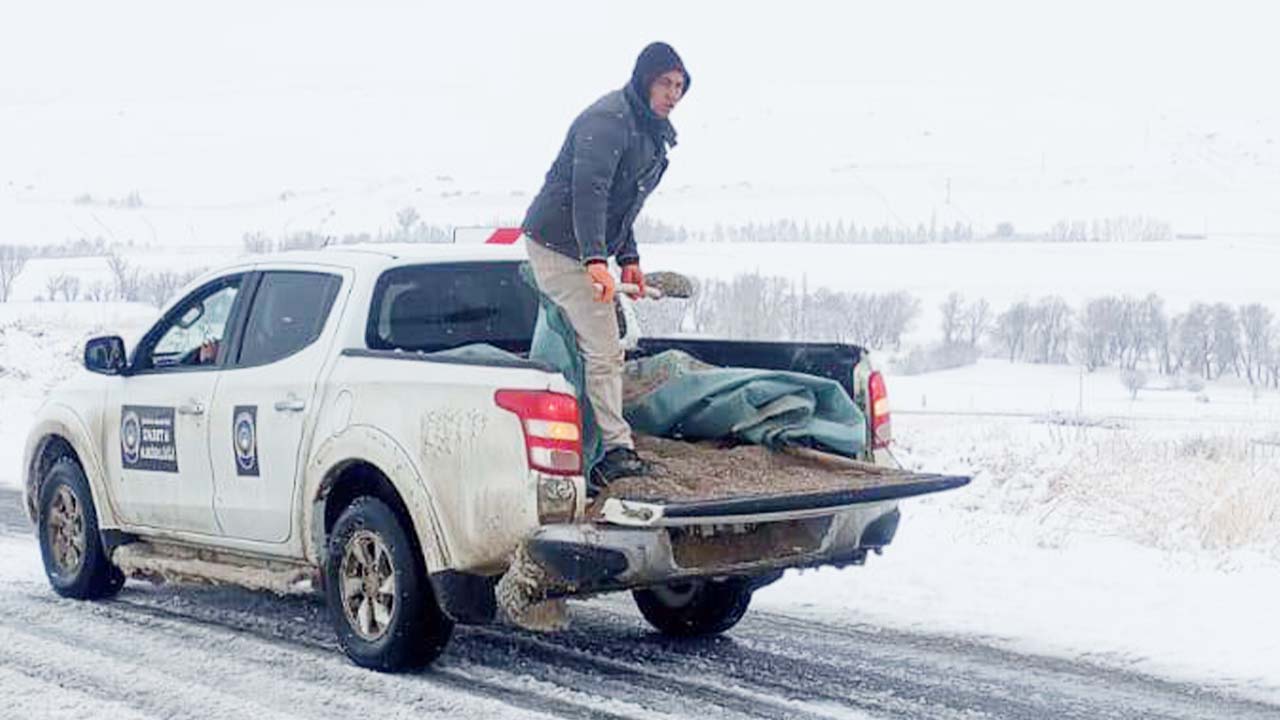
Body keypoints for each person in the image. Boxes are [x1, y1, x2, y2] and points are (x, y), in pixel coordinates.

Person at [521, 42, 689, 488]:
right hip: (559, 243)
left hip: (582, 242)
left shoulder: (647, 129)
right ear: (644, 79)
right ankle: (613, 451)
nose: (673, 94)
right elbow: (589, 191)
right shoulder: (609, 121)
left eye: (679, 86)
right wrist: (596, 258)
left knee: (599, 344)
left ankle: (598, 435)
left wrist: (628, 257)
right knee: (603, 346)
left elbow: (622, 202)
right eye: (664, 83)